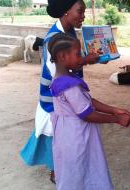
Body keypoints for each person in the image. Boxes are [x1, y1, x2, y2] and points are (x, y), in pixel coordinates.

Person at [20, 0, 98, 183]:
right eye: (80, 11)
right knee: (61, 136)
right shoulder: (52, 40)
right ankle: (59, 172)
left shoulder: (68, 31)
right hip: (56, 99)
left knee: (64, 136)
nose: (83, 15)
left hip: (68, 94)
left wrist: (87, 59)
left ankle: (60, 170)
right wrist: (86, 60)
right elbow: (59, 73)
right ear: (65, 12)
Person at [48, 33, 130, 190]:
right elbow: (87, 114)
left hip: (67, 135)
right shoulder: (70, 85)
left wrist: (113, 109)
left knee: (76, 171)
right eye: (78, 54)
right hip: (77, 136)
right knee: (82, 170)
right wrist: (116, 119)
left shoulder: (60, 78)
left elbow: (87, 101)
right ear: (62, 56)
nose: (82, 58)